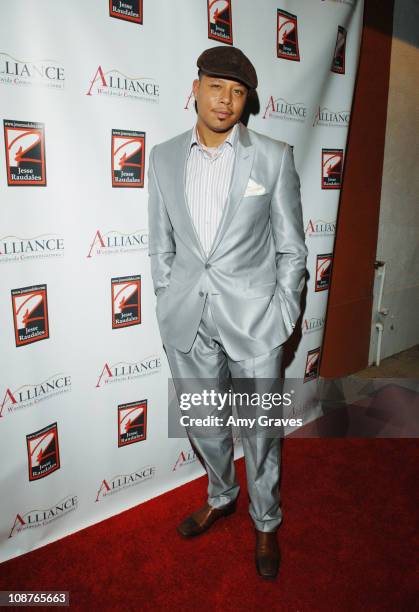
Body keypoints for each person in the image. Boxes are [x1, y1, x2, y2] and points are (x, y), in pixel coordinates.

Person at [147, 45, 308, 579]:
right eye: (217, 86)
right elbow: (161, 243)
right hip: (187, 319)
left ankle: (266, 520)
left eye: (238, 92)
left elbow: (292, 249)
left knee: (260, 432)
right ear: (196, 87)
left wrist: (283, 315)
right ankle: (222, 495)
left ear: (247, 101)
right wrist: (167, 294)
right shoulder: (164, 157)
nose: (227, 100)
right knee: (205, 423)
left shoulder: (273, 156)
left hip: (255, 320)